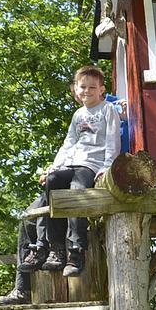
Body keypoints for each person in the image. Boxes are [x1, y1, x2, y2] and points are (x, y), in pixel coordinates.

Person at [14, 65, 121, 282]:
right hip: (71, 164)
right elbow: (69, 143)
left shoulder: (107, 109)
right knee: (52, 184)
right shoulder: (77, 114)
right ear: (75, 89)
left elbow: (112, 141)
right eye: (83, 87)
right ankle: (56, 247)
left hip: (90, 165)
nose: (87, 91)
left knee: (76, 192)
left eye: (93, 87)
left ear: (102, 89)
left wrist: (106, 167)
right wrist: (53, 167)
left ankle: (76, 249)